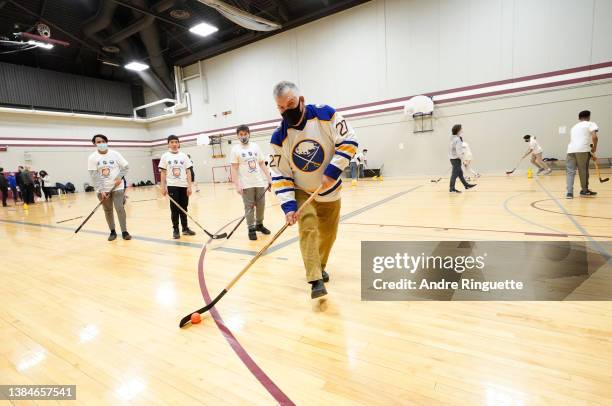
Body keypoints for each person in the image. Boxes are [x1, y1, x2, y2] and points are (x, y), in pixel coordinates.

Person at [270, 81, 358, 299]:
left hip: (330, 189)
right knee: (308, 229)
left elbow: (349, 141)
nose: (286, 110)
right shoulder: (279, 137)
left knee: (328, 234)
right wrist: (289, 206)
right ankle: (315, 279)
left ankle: (319, 265)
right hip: (302, 190)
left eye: (289, 104)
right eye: (280, 107)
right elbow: (280, 174)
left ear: (301, 100)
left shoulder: (326, 115)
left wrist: (333, 170)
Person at [230, 125, 272, 240]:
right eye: (241, 134)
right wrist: (237, 185)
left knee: (261, 205)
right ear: (238, 136)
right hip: (246, 184)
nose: (243, 136)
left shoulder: (255, 146)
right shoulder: (235, 149)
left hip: (259, 182)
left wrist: (269, 178)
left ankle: (259, 224)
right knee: (249, 207)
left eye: (245, 134)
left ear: (249, 134)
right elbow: (234, 168)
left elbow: (262, 163)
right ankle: (251, 228)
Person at [87, 134, 132, 241]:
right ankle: (112, 232)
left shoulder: (115, 154)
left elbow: (126, 167)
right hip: (102, 190)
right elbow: (94, 175)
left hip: (117, 187)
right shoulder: (92, 157)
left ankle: (124, 231)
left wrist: (119, 177)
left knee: (120, 209)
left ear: (106, 142)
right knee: (108, 210)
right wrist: (101, 190)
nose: (101, 143)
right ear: (94, 144)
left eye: (103, 141)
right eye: (98, 142)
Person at [159, 135, 196, 239]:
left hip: (183, 185)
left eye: (176, 142)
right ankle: (176, 230)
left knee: (184, 208)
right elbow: (162, 172)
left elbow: (188, 172)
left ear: (179, 143)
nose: (174, 144)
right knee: (174, 209)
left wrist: (189, 186)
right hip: (172, 186)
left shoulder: (184, 156)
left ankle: (185, 228)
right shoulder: (165, 156)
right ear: (168, 144)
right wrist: (163, 186)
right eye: (172, 142)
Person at [566, 110, 599, 199]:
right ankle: (584, 191)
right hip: (583, 151)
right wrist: (594, 148)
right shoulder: (590, 124)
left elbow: (578, 142)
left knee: (570, 172)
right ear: (588, 117)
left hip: (570, 150)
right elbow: (594, 137)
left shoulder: (574, 127)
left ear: (579, 118)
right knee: (583, 171)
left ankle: (569, 193)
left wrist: (591, 154)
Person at [449, 124, 476, 193]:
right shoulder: (458, 139)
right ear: (458, 130)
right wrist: (463, 159)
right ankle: (452, 188)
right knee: (454, 174)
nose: (462, 130)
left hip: (453, 158)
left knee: (460, 174)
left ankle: (466, 185)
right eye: (461, 129)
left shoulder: (452, 138)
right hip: (456, 159)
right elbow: (459, 152)